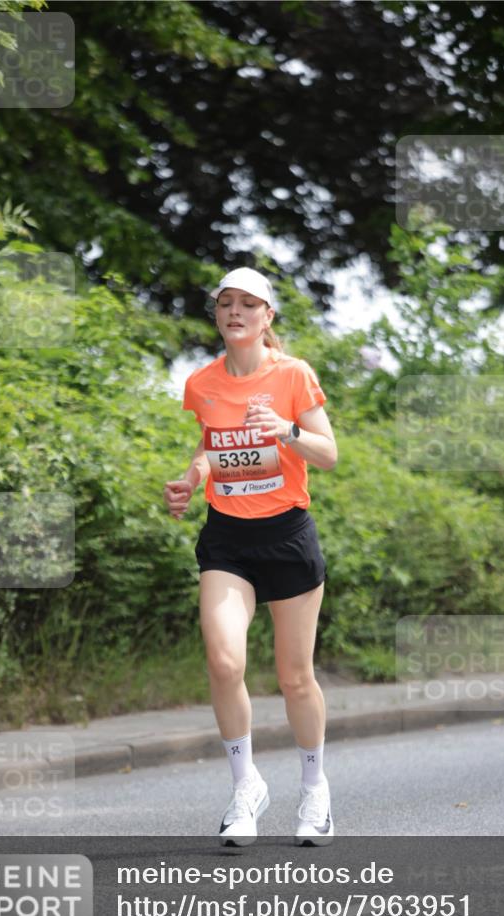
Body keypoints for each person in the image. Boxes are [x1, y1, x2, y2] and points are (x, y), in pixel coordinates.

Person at [163, 266, 338, 847]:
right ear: (217, 315)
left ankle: (315, 790)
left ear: (267, 317)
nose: (235, 311)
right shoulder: (203, 383)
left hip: (287, 537)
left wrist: (286, 430)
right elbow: (212, 445)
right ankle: (246, 788)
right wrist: (191, 479)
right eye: (225, 303)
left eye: (248, 303)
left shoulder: (292, 375)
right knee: (224, 662)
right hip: (227, 540)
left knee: (294, 678)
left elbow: (329, 453)